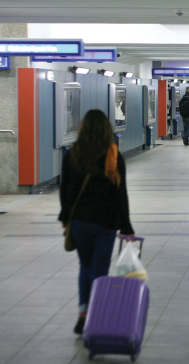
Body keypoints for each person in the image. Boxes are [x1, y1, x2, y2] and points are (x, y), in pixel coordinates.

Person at [58, 109, 136, 335]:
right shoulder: (113, 154)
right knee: (100, 269)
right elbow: (120, 193)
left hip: (81, 222)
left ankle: (84, 312)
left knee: (85, 266)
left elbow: (66, 191)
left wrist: (65, 218)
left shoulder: (73, 154)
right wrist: (126, 225)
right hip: (106, 223)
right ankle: (97, 313)